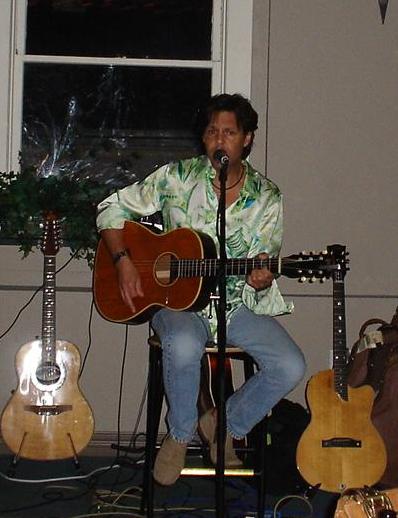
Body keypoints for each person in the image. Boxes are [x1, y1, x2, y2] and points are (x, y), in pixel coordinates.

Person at [96, 93, 306, 486]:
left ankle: (224, 423)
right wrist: (124, 260)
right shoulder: (176, 177)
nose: (219, 140)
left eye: (229, 132)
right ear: (204, 139)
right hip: (176, 304)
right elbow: (110, 208)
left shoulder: (268, 198)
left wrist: (261, 277)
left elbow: (261, 265)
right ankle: (178, 435)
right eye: (212, 132)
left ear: (246, 139)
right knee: (186, 343)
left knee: (290, 364)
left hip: (234, 304)